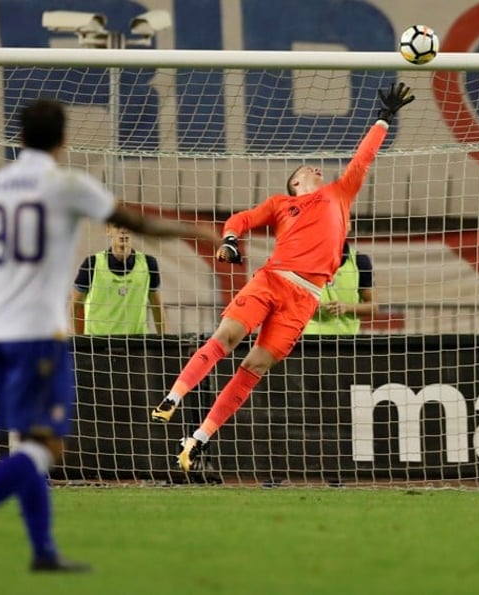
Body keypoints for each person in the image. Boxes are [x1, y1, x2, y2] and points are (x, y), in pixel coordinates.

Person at [0, 99, 217, 575]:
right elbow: (138, 223)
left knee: (27, 445)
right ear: (63, 140)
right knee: (45, 446)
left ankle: (42, 551)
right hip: (38, 332)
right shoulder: (66, 184)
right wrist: (196, 231)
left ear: (18, 137)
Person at [149, 83, 415, 471]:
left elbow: (363, 158)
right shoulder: (281, 205)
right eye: (308, 169)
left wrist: (384, 118)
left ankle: (199, 439)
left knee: (254, 366)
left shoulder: (339, 194)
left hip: (305, 299)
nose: (316, 169)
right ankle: (174, 396)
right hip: (273, 279)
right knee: (227, 337)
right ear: (295, 183)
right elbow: (240, 219)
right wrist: (229, 239)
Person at [71, 224, 165, 335]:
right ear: (108, 230)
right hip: (98, 345)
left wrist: (163, 342)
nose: (123, 230)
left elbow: (157, 306)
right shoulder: (92, 263)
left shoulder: (149, 264)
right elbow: (75, 306)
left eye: (127, 225)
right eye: (117, 225)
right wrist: (79, 343)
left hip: (136, 345)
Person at [302, 240, 376, 335]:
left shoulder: (359, 261)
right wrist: (314, 306)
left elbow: (373, 308)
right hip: (311, 338)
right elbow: (291, 301)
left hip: (346, 340)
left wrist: (346, 307)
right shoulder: (304, 260)